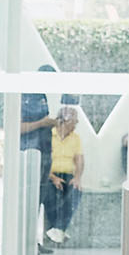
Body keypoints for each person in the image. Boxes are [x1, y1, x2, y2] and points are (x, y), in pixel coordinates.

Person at [40, 104, 84, 247]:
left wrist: (77, 177)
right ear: (65, 121)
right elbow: (43, 161)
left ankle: (57, 229)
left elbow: (79, 159)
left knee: (75, 192)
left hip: (67, 175)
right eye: (75, 121)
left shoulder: (75, 138)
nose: (76, 124)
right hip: (49, 175)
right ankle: (58, 229)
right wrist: (53, 177)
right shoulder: (48, 135)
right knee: (50, 195)